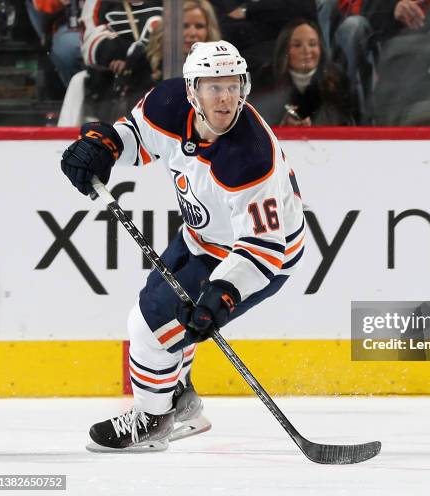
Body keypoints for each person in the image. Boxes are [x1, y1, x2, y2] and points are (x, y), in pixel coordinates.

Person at [59, 40, 305, 452]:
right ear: (193, 90)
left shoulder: (250, 155)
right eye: (214, 87)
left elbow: (265, 247)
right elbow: (139, 137)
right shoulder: (169, 103)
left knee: (149, 328)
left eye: (232, 86)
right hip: (202, 236)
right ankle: (181, 401)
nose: (226, 98)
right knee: (162, 311)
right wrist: (106, 146)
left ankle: (153, 422)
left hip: (258, 257)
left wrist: (222, 295)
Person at [250, 19, 357, 126]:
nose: (306, 51)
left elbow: (345, 123)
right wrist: (282, 125)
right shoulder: (265, 78)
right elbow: (256, 123)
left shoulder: (337, 80)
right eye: (297, 45)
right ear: (285, 50)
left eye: (312, 44)